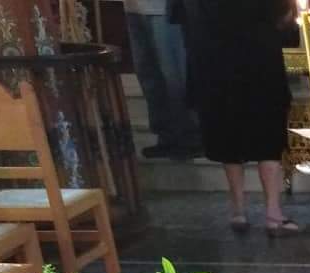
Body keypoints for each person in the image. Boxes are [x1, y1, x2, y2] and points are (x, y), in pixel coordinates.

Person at [182, 0, 300, 236]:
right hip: (258, 57)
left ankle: (238, 211)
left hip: (214, 60)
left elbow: (185, 14)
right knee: (267, 136)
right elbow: (281, 12)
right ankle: (273, 213)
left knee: (228, 134)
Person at [123, 0, 199, 159]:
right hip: (134, 7)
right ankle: (166, 136)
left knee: (173, 73)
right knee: (148, 74)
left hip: (164, 8)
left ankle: (190, 137)